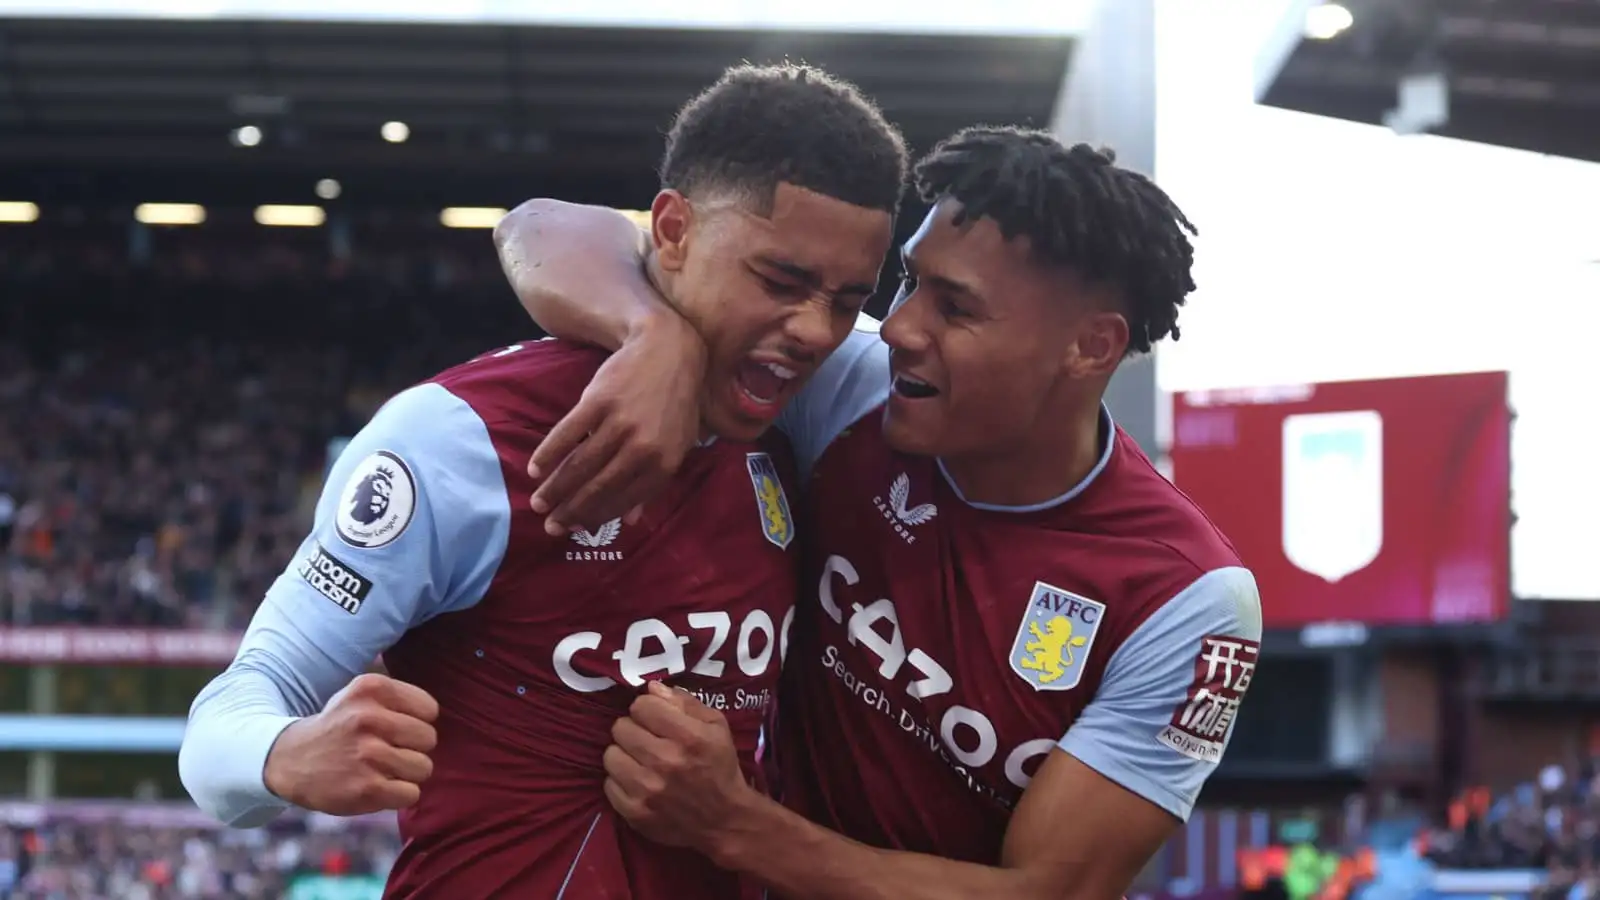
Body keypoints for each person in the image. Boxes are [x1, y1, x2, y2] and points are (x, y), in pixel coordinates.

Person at [178, 62, 907, 899]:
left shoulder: (805, 413)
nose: (816, 330)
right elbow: (225, 720)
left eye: (848, 300)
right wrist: (284, 754)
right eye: (779, 281)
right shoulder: (458, 440)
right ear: (670, 231)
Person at [491, 126, 1264, 900]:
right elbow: (536, 226)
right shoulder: (854, 389)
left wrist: (731, 824)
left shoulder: (1189, 597)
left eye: (954, 308)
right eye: (909, 281)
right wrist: (649, 334)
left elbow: (1050, 892)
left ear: (1090, 348)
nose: (897, 327)